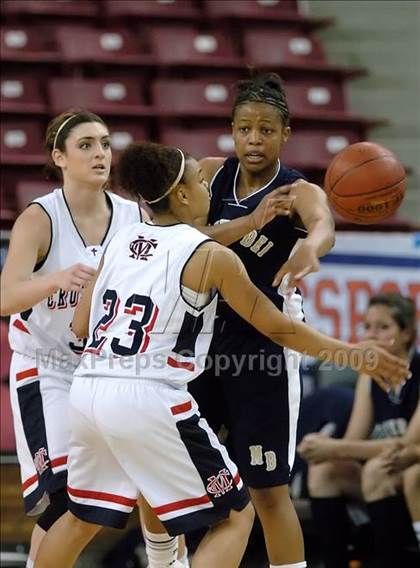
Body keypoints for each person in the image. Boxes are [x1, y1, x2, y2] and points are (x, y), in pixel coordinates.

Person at [32, 141, 410, 568]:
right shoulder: (210, 255)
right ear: (182, 194)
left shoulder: (120, 239)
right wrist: (354, 355)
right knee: (235, 513)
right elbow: (279, 326)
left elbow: (80, 327)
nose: (208, 190)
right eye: (199, 181)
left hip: (89, 389)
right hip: (148, 395)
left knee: (81, 517)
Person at [188, 70, 336, 568]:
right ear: (231, 130)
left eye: (266, 130)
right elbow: (186, 235)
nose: (254, 139)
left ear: (285, 134)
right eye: (245, 128)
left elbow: (322, 225)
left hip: (263, 347)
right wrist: (245, 225)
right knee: (185, 480)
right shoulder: (208, 173)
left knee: (268, 491)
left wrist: (311, 250)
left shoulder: (297, 190)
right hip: (200, 341)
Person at [0, 110, 142, 568]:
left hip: (104, 371)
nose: (100, 153)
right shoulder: (40, 218)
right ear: (59, 157)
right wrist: (56, 279)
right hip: (47, 368)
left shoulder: (132, 216)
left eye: (104, 143)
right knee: (63, 496)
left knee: (93, 500)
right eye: (86, 145)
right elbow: (5, 298)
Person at [298, 293, 420, 568]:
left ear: (407, 333)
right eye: (367, 327)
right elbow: (354, 440)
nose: (372, 335)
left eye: (383, 327)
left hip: (410, 469)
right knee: (324, 471)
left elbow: (408, 446)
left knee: (377, 470)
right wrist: (324, 446)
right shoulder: (370, 375)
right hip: (378, 472)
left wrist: (334, 447)